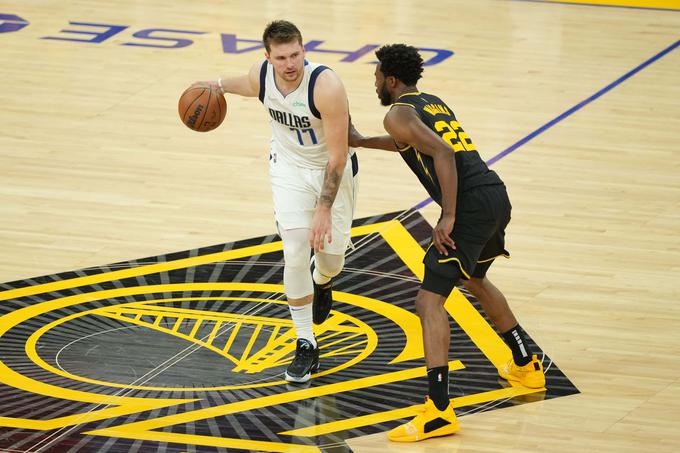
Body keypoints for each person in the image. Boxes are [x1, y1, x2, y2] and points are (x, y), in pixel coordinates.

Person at [349, 44, 545, 442]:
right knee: (473, 278)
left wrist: (449, 215)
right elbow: (416, 143)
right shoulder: (430, 103)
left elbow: (442, 151)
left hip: (469, 207)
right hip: (494, 195)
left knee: (428, 301)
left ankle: (438, 411)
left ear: (390, 79)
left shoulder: (397, 112)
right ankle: (526, 364)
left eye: (376, 76)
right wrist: (362, 140)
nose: (373, 82)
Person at [194, 20, 358, 383]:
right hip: (288, 169)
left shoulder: (326, 87)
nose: (289, 64)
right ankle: (305, 342)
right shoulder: (263, 75)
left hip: (330, 170)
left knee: (332, 257)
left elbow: (338, 156)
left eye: (296, 55)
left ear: (304, 51)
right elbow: (246, 84)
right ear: (268, 57)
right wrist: (215, 86)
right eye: (281, 57)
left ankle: (324, 281)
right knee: (296, 249)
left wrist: (324, 208)